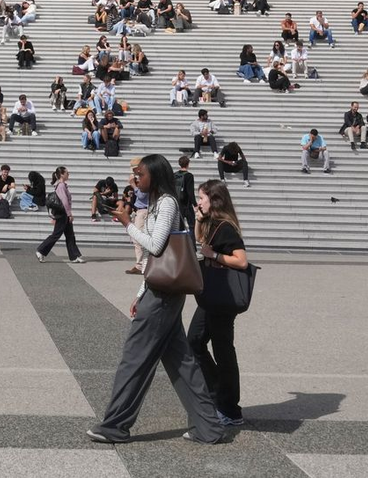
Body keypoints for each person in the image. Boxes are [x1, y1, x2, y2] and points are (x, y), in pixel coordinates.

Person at [88, 154, 226, 446]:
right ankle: (209, 427)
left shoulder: (166, 203)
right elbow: (157, 259)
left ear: (156, 175)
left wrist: (127, 223)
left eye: (141, 174)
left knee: (135, 358)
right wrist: (141, 293)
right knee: (182, 362)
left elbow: (156, 245)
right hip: (162, 291)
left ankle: (115, 426)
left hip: (163, 295)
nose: (136, 178)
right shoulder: (157, 203)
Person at [188, 179, 249, 427]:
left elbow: (241, 261)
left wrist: (214, 255)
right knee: (194, 341)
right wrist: (198, 220)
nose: (198, 202)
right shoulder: (212, 223)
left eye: (201, 198)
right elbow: (199, 241)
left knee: (223, 351)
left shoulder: (226, 227)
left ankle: (230, 409)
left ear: (214, 200)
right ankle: (217, 393)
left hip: (223, 297)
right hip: (212, 295)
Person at [36, 165, 84, 263]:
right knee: (56, 235)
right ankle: (41, 250)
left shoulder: (62, 185)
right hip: (63, 214)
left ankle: (74, 256)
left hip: (64, 213)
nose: (68, 174)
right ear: (62, 174)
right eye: (67, 173)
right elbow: (64, 201)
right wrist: (69, 214)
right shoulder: (61, 186)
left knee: (70, 235)